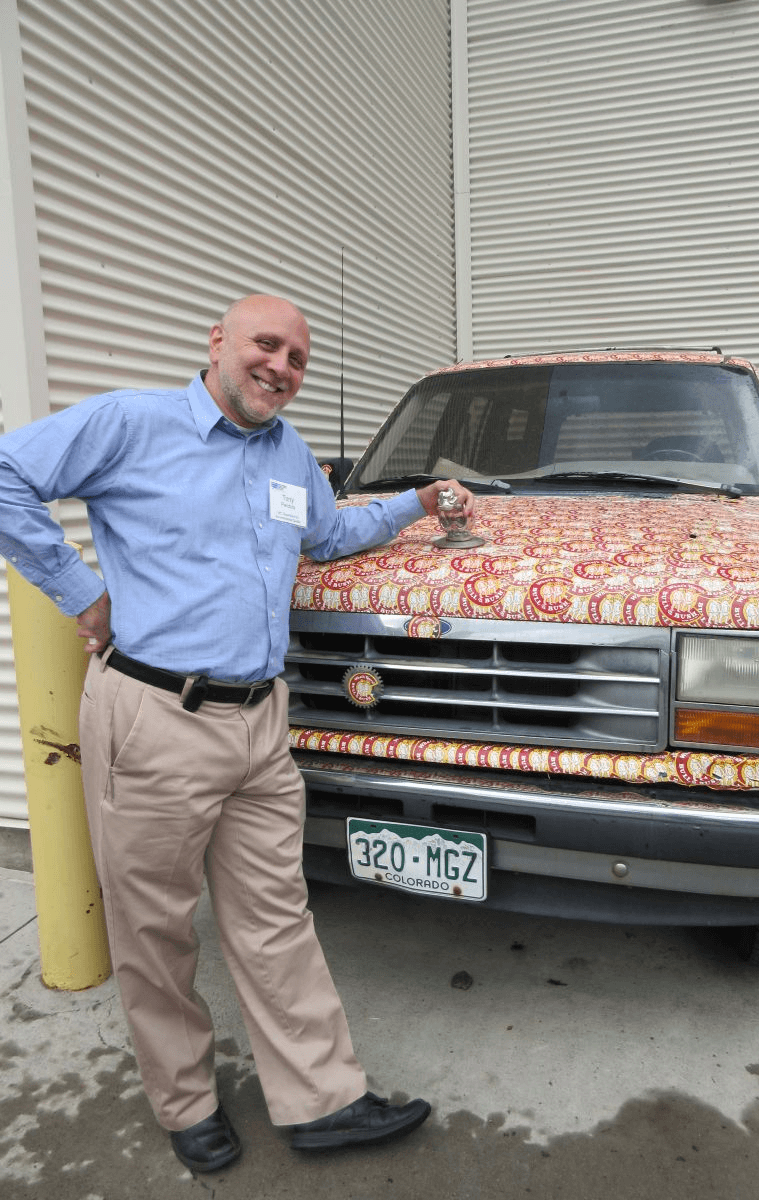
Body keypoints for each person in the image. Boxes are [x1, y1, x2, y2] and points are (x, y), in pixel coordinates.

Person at [0, 294, 475, 1172]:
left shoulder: (289, 453)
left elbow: (331, 537)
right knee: (154, 930)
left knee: (273, 918)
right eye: (267, 345)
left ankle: (322, 1101)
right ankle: (184, 1103)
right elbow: (4, 472)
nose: (282, 368)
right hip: (155, 721)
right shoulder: (132, 423)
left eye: (297, 357)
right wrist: (80, 591)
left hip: (261, 727)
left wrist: (414, 499)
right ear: (216, 341)